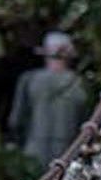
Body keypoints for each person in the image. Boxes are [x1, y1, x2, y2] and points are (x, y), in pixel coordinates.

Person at [7, 30, 90, 165]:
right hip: (67, 155)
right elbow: (87, 122)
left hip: (33, 152)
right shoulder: (80, 85)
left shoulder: (29, 80)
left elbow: (16, 120)